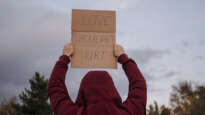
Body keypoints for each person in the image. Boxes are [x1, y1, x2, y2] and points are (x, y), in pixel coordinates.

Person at [47, 42, 147, 115]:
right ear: (111, 89)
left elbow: (55, 87)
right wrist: (123, 58)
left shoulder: (69, 112)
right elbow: (139, 86)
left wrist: (65, 57)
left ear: (83, 91)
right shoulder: (129, 112)